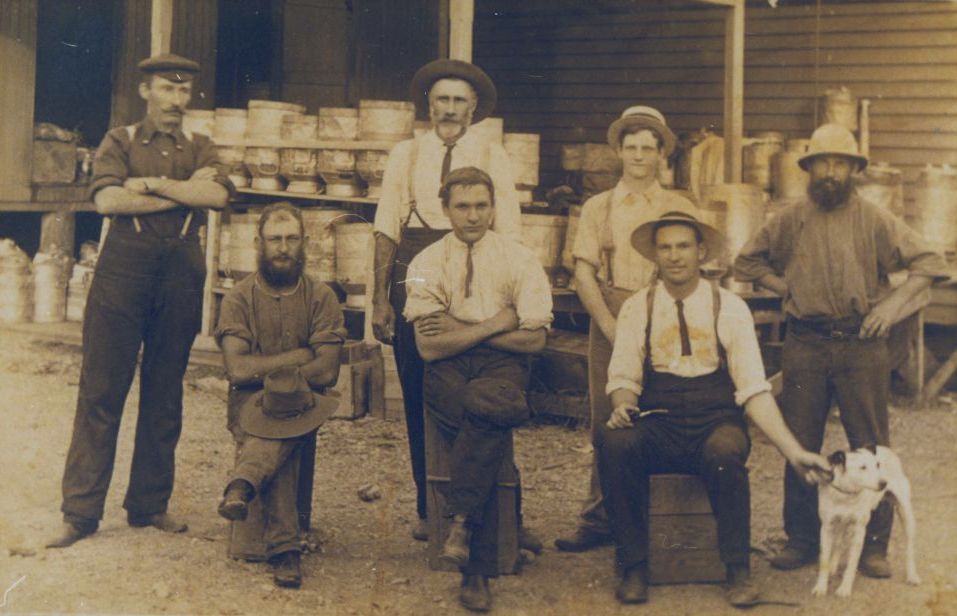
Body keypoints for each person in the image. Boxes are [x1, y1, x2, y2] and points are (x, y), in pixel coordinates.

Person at [734, 123, 949, 576]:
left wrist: (890, 307)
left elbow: (930, 262)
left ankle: (874, 546)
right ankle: (801, 539)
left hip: (861, 344)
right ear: (809, 168)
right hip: (805, 344)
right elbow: (746, 261)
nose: (830, 172)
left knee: (871, 444)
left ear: (853, 170)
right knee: (800, 439)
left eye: (840, 164)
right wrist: (785, 287)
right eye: (822, 164)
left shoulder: (874, 218)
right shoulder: (790, 218)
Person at [595, 208, 830, 607]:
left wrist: (794, 454)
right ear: (655, 255)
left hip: (715, 421)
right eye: (665, 248)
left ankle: (737, 570)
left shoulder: (730, 307)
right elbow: (623, 378)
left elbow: (753, 390)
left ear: (701, 251)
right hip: (659, 420)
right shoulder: (638, 307)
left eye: (683, 246)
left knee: (725, 451)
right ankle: (634, 566)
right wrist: (623, 406)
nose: (675, 256)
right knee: (615, 442)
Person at [47, 53, 233, 548]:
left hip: (180, 274)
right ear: (146, 90)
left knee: (165, 391)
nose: (176, 99)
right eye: (166, 89)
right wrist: (183, 192)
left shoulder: (201, 145)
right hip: (123, 272)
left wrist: (150, 186)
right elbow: (108, 201)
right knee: (102, 390)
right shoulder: (120, 140)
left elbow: (217, 197)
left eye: (183, 90)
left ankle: (149, 505)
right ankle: (80, 512)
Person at [371, 59, 522, 542]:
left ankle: (501, 514)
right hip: (416, 269)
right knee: (419, 390)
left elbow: (510, 233)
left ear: (473, 108)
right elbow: (386, 228)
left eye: (459, 100)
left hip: (477, 273)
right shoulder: (406, 153)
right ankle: (429, 508)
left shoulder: (493, 155)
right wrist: (379, 299)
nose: (450, 109)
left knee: (485, 390)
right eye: (442, 100)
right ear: (429, 105)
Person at [404, 167, 553, 612]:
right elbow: (429, 347)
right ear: (445, 210)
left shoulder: (519, 259)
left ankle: (467, 544)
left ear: (494, 208)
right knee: (485, 417)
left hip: (502, 368)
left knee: (485, 406)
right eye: (463, 206)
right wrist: (498, 323)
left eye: (481, 206)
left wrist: (461, 328)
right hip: (446, 370)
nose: (473, 216)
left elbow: (535, 341)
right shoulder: (425, 263)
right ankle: (491, 527)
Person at [556, 106, 699, 552]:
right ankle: (600, 518)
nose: (639, 156)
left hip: (666, 310)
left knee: (667, 412)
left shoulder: (678, 206)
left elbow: (692, 269)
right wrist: (611, 326)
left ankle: (661, 516)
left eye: (648, 148)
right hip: (612, 312)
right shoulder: (598, 207)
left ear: (661, 154)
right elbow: (583, 273)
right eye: (631, 147)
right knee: (609, 417)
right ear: (618, 151)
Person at [215, 203, 345, 589]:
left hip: (303, 400)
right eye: (275, 240)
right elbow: (238, 370)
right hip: (248, 401)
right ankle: (285, 550)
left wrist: (277, 375)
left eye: (291, 239)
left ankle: (243, 484)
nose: (283, 248)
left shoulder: (321, 296)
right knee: (279, 431)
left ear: (305, 242)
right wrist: (299, 357)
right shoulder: (238, 298)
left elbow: (328, 370)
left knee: (285, 421)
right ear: (259, 243)